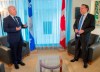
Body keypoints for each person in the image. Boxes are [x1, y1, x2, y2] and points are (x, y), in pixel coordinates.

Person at [70, 4, 95, 68]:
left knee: (84, 49)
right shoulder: (78, 16)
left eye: (82, 8)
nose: (80, 9)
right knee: (77, 48)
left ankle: (85, 62)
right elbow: (75, 24)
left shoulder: (91, 17)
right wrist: (75, 28)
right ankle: (75, 58)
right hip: (77, 35)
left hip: (85, 36)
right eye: (80, 8)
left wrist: (84, 30)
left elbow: (92, 27)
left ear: (87, 9)